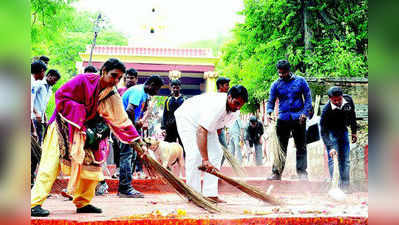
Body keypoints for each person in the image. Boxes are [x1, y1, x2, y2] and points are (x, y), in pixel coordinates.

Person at [31, 58, 143, 217]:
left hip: (85, 132)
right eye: (113, 76)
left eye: (119, 78)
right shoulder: (84, 79)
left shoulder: (112, 93)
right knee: (50, 165)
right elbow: (61, 95)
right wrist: (83, 115)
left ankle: (82, 202)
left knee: (92, 168)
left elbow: (121, 118)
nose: (116, 81)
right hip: (62, 126)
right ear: (103, 71)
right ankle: (33, 203)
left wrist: (136, 140)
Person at [175, 85, 248, 203]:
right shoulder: (217, 106)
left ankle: (210, 194)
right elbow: (201, 130)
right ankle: (193, 193)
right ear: (229, 97)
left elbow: (219, 129)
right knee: (195, 154)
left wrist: (210, 155)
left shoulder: (236, 111)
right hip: (188, 118)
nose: (238, 107)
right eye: (236, 103)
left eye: (241, 105)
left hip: (205, 125)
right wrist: (205, 159)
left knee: (217, 152)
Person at [266, 59, 312, 180]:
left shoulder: (301, 81)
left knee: (301, 146)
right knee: (280, 147)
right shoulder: (275, 84)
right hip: (283, 118)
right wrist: (269, 111)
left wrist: (305, 113)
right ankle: (276, 172)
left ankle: (302, 173)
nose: (281, 75)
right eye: (279, 72)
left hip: (299, 118)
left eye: (283, 72)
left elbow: (308, 98)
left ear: (288, 70)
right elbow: (270, 101)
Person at [119, 75, 163, 197]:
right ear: (151, 85)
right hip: (124, 127)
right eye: (157, 89)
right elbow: (129, 110)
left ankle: (126, 187)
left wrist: (137, 123)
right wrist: (133, 126)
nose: (156, 92)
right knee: (126, 156)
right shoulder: (138, 92)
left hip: (128, 126)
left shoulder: (143, 93)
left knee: (130, 156)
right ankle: (124, 189)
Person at [320, 86, 357, 192]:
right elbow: (323, 131)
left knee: (345, 160)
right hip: (331, 133)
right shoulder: (326, 110)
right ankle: (335, 186)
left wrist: (354, 132)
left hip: (344, 131)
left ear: (342, 96)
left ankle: (345, 186)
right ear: (330, 99)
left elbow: (352, 116)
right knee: (333, 159)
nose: (337, 102)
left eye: (339, 99)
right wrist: (330, 147)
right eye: (334, 100)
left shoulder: (348, 100)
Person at [110, 68, 138, 179]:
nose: (129, 80)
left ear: (136, 79)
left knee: (134, 150)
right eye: (127, 78)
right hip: (118, 125)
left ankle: (131, 172)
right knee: (118, 148)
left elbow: (144, 109)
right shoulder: (119, 91)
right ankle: (118, 170)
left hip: (134, 126)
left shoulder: (139, 92)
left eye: (132, 78)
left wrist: (141, 121)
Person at [31, 69, 61, 144]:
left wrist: (45, 119)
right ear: (49, 76)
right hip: (33, 118)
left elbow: (43, 105)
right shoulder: (39, 83)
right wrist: (36, 113)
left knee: (39, 142)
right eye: (55, 79)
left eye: (56, 80)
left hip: (40, 120)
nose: (55, 82)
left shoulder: (50, 89)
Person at [161, 79, 185, 146]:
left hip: (181, 126)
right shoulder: (168, 100)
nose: (175, 89)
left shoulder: (184, 99)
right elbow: (165, 114)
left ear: (180, 87)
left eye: (177, 87)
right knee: (169, 146)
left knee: (183, 146)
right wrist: (163, 128)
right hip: (170, 127)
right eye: (174, 88)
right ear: (171, 88)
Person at [216, 77, 230, 166]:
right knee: (215, 151)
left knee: (224, 151)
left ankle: (217, 170)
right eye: (226, 85)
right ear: (220, 86)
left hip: (221, 130)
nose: (228, 87)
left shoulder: (226, 98)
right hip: (213, 130)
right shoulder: (215, 98)